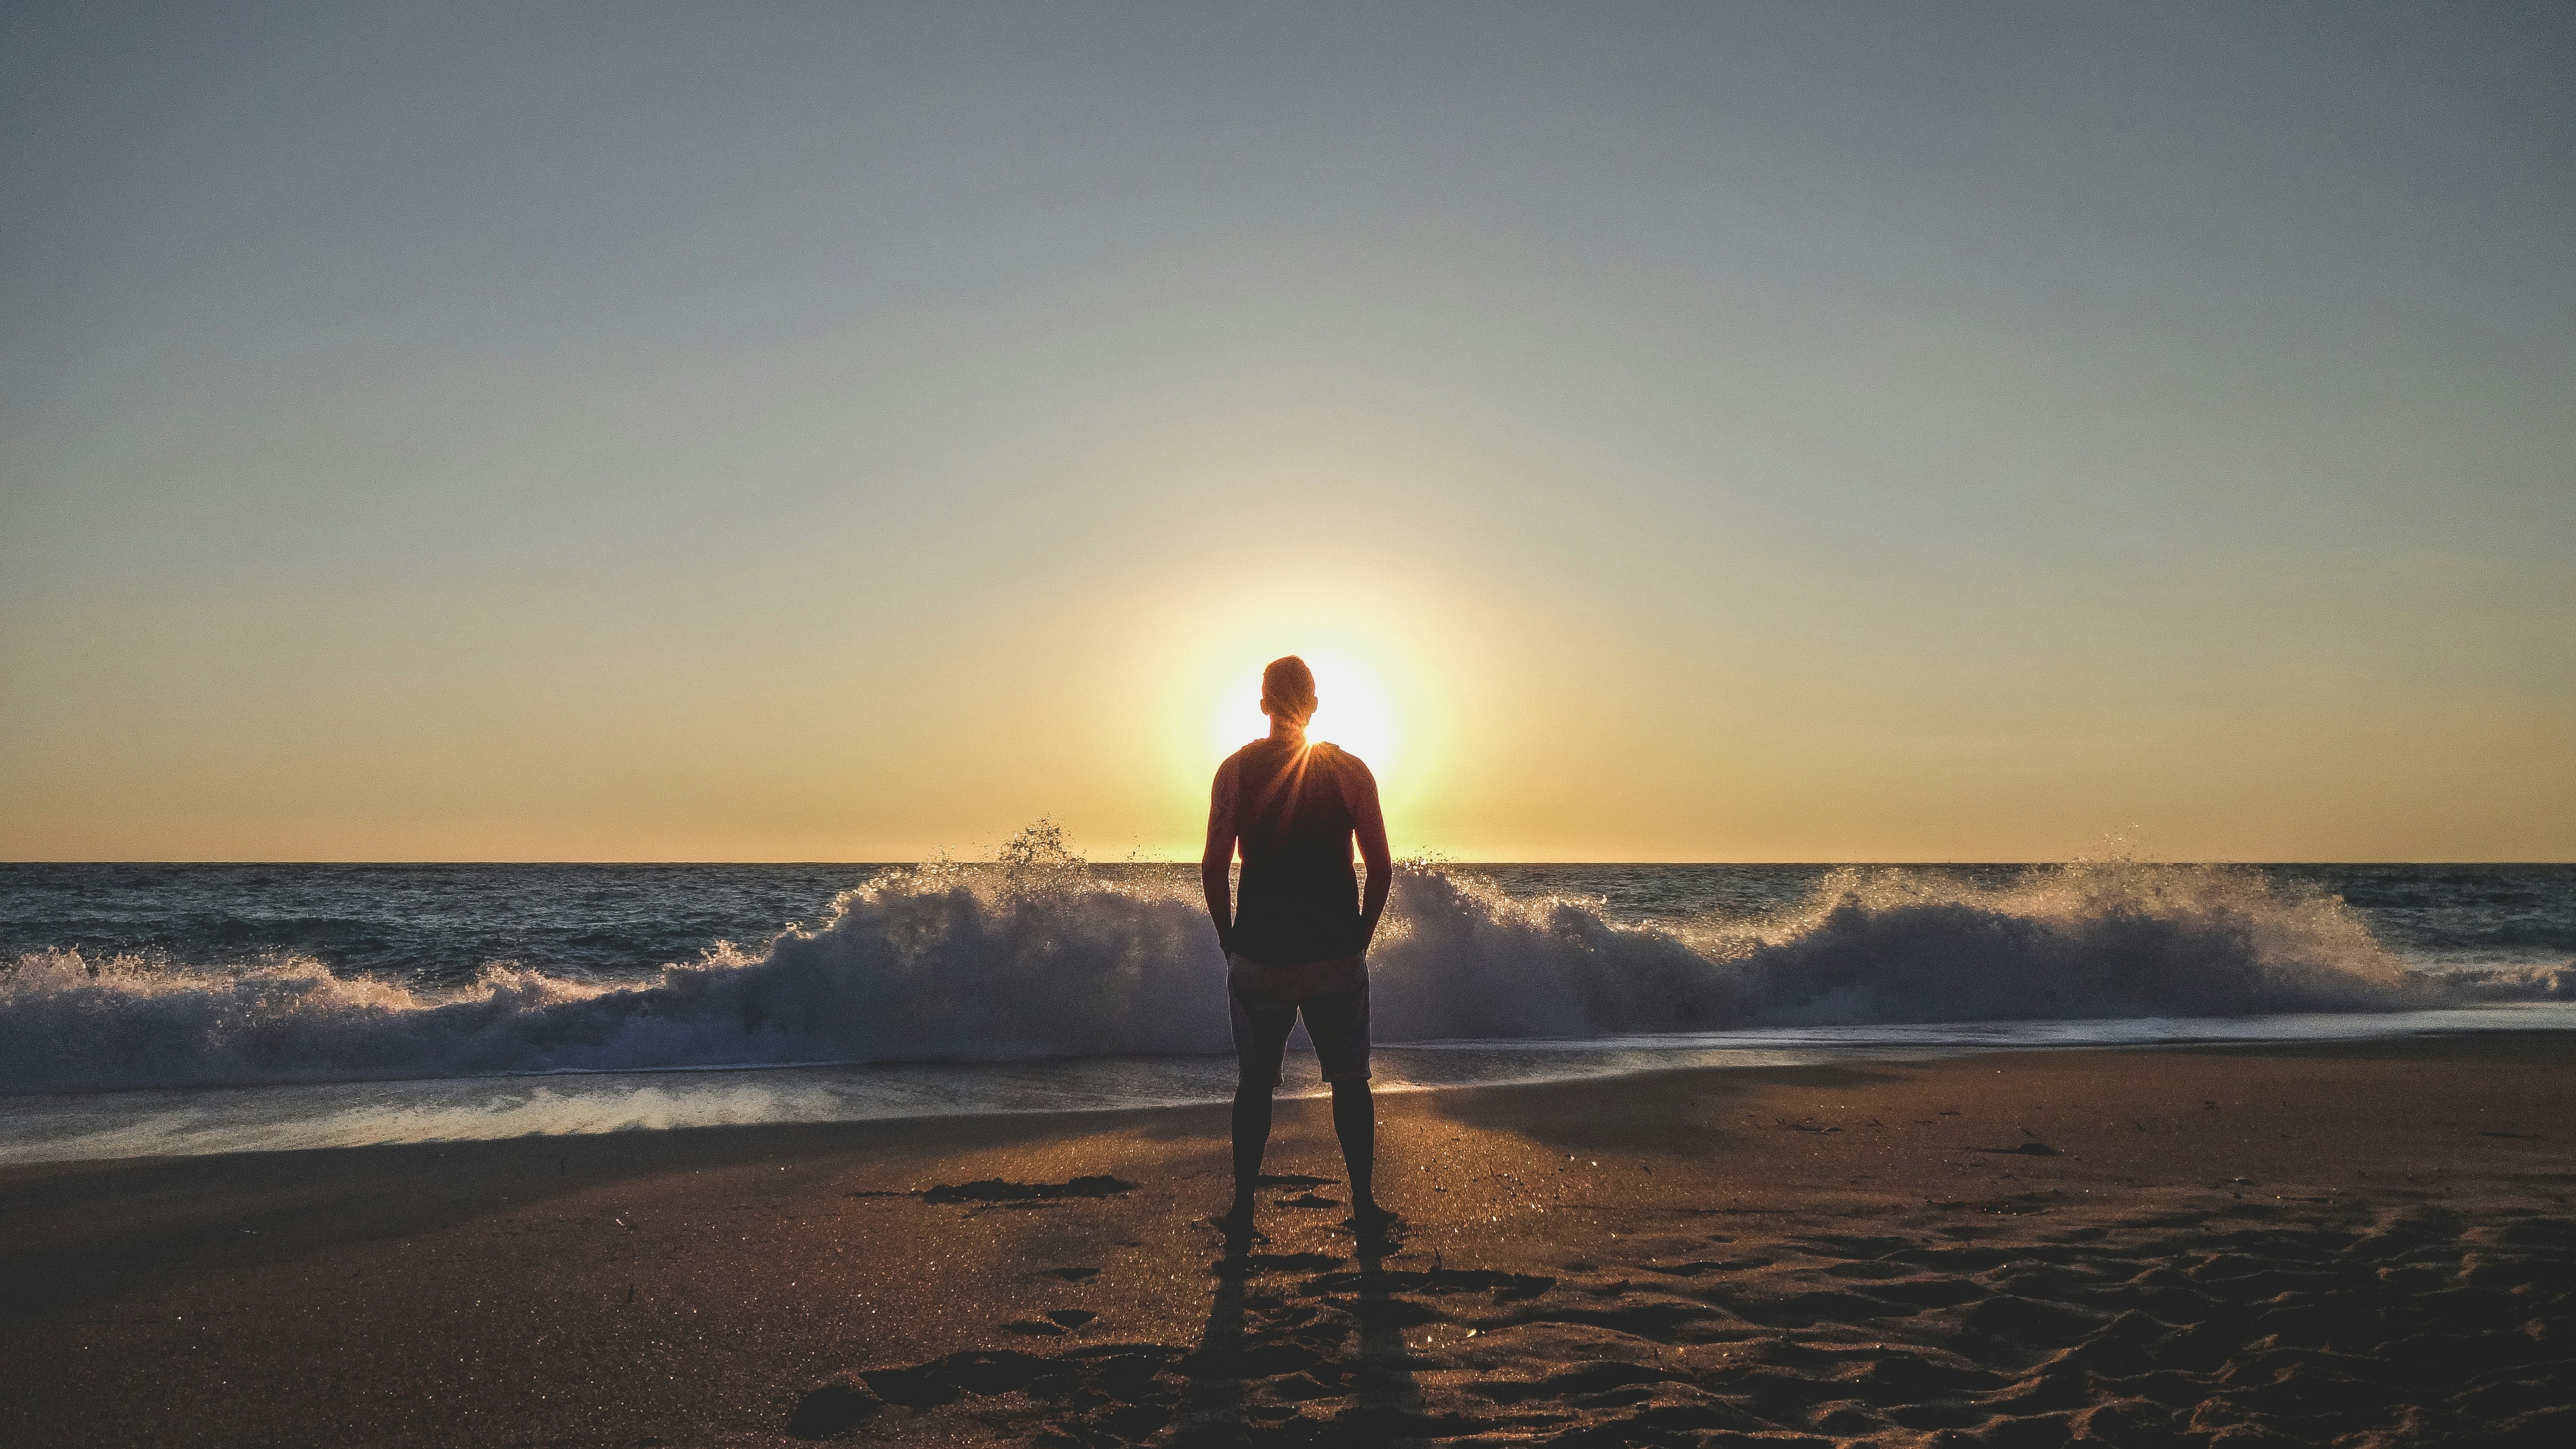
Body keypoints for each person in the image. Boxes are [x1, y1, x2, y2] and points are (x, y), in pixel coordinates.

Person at [1201, 655, 1396, 1239]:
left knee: (1254, 1084)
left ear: (1263, 703)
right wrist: (1359, 935)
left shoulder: (1234, 771)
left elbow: (1214, 865)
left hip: (1261, 953)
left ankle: (1243, 1211)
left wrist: (1227, 937)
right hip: (1335, 953)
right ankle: (1363, 1204)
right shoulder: (1350, 770)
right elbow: (1382, 867)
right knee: (1350, 1081)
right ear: (1313, 702)